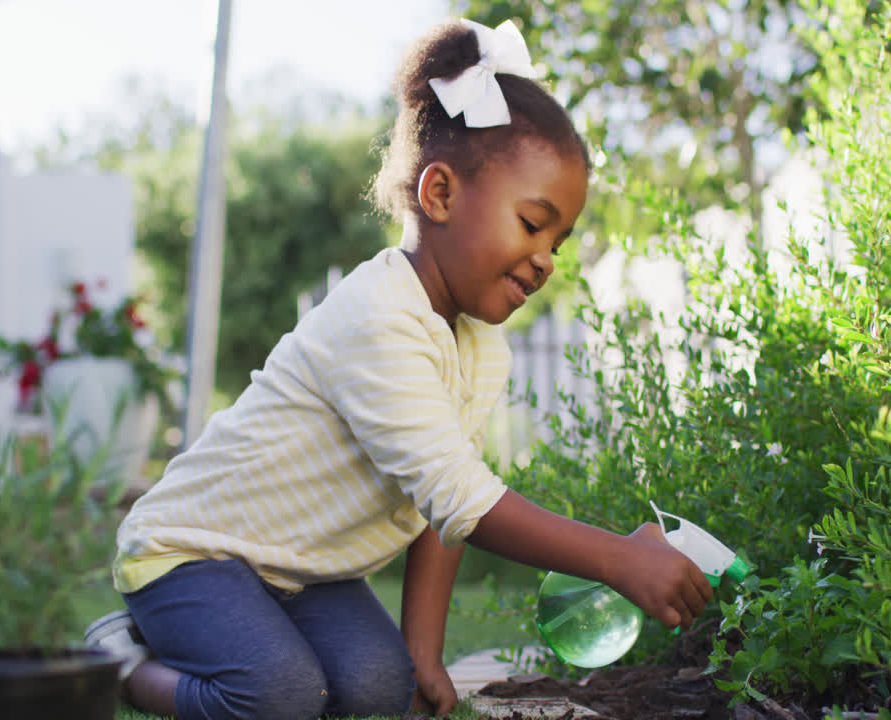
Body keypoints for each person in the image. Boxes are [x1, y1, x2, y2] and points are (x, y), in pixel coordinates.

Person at [85, 17, 712, 720]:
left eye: (559, 240)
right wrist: (616, 559)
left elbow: (440, 511)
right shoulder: (378, 317)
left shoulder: (479, 346)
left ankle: (261, 648)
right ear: (439, 194)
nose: (546, 258)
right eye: (532, 224)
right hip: (191, 554)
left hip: (299, 572)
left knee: (379, 686)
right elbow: (463, 496)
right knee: (276, 697)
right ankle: (120, 664)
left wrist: (423, 652)